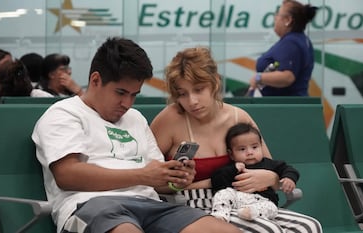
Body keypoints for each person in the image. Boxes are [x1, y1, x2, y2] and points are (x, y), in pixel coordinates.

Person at [32, 37, 241, 233]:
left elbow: (158, 182)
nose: (127, 104)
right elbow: (67, 176)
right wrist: (142, 175)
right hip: (89, 206)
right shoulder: (63, 114)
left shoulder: (136, 118)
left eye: (134, 95)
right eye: (121, 93)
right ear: (95, 80)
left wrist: (174, 178)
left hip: (151, 206)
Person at [150, 46, 322, 233]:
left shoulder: (238, 117)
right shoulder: (169, 119)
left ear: (215, 82)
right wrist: (182, 184)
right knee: (268, 230)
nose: (192, 101)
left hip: (247, 201)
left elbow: (270, 169)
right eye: (182, 94)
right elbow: (146, 180)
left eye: (199, 89)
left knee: (309, 227)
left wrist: (271, 178)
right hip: (191, 205)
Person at [210, 122, 299, 223]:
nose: (250, 152)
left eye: (254, 147)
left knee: (271, 208)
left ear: (261, 146)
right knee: (222, 194)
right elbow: (217, 180)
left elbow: (288, 169)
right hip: (237, 199)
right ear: (231, 154)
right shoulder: (231, 168)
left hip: (264, 200)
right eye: (242, 149)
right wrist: (233, 169)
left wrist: (289, 178)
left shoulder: (269, 164)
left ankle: (251, 212)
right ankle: (220, 215)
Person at [248, 0, 318, 96]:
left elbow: (287, 77)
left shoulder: (291, 43)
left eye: (278, 14)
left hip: (284, 107)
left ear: (288, 20)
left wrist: (258, 77)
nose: (275, 18)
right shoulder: (301, 40)